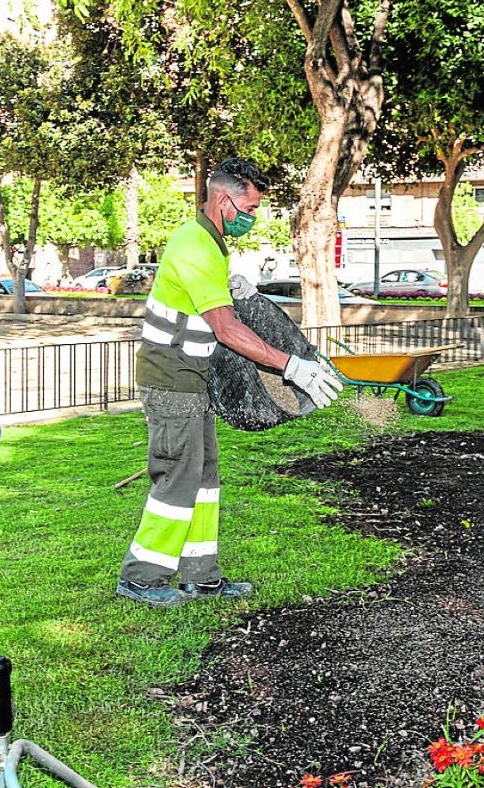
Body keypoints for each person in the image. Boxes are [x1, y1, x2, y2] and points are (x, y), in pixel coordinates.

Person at [117, 157, 343, 607]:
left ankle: (201, 576)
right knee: (177, 478)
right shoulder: (197, 246)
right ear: (223, 199)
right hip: (171, 377)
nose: (253, 216)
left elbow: (213, 310)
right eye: (251, 206)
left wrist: (237, 290)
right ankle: (141, 577)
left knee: (204, 477)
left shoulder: (210, 242)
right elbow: (225, 330)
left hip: (192, 377)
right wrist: (290, 366)